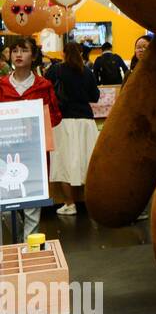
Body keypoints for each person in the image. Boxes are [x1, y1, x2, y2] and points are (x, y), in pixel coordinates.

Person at [0, 37, 62, 241]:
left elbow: (55, 116)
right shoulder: (1, 86)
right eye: (14, 50)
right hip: (5, 155)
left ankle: (30, 251)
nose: (18, 54)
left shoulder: (43, 85)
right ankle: (19, 240)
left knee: (33, 206)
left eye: (24, 50)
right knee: (5, 206)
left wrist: (36, 122)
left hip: (35, 154)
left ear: (33, 55)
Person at [48, 41, 101, 216]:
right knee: (89, 162)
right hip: (86, 121)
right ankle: (94, 203)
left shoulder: (55, 70)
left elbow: (46, 90)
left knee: (63, 162)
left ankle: (69, 204)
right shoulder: (87, 71)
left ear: (63, 53)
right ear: (81, 53)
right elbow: (95, 97)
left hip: (63, 121)